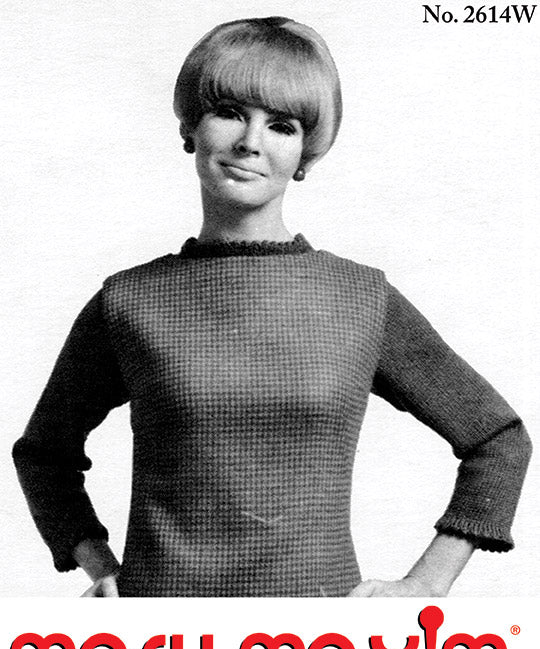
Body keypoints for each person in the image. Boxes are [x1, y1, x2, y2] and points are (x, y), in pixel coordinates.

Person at [12, 16, 531, 598]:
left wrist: (427, 583)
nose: (250, 142)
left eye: (281, 125)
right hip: (163, 633)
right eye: (230, 112)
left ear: (305, 153)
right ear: (190, 126)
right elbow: (44, 454)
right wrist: (98, 563)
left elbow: (498, 439)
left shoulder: (362, 297)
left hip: (319, 638)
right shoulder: (129, 301)